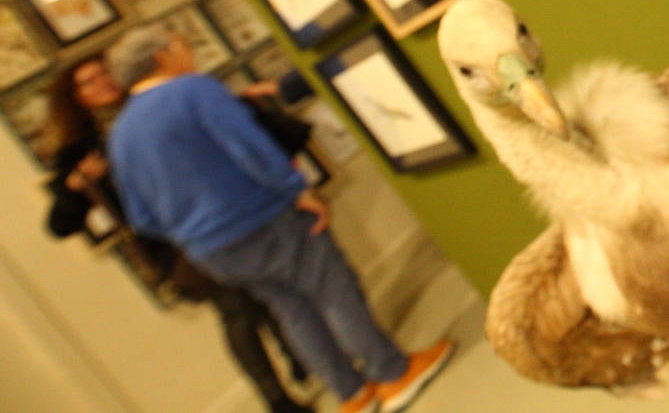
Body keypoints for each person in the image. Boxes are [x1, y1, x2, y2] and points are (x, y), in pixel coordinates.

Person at [105, 25, 453, 413]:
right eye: (184, 45)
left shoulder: (120, 135)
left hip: (211, 251)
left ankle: (352, 395)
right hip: (266, 217)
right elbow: (250, 148)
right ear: (163, 55)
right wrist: (297, 190)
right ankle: (392, 373)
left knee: (292, 312)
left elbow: (141, 216)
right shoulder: (193, 90)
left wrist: (193, 230)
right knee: (332, 289)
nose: (190, 52)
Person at [44, 53, 314, 413]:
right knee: (238, 311)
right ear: (76, 98)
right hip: (175, 245)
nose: (102, 83)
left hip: (218, 215)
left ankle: (298, 354)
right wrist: (78, 186)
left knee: (268, 290)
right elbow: (60, 224)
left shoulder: (154, 103)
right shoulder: (79, 151)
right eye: (88, 82)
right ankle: (277, 398)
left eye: (104, 74)